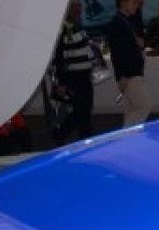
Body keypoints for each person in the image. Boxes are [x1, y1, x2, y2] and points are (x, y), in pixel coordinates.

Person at [53, 0, 95, 142]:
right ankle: (60, 134)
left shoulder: (77, 26)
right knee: (81, 110)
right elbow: (59, 57)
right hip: (75, 77)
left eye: (79, 5)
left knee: (85, 110)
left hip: (84, 75)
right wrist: (61, 82)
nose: (79, 9)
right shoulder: (65, 28)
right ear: (68, 9)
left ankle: (85, 139)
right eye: (75, 6)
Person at [106, 0, 150, 126]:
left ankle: (128, 135)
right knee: (143, 106)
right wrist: (122, 75)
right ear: (123, 3)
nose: (137, 5)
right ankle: (127, 135)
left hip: (131, 73)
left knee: (132, 109)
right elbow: (118, 53)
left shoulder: (125, 22)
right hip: (130, 74)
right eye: (134, 2)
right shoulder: (118, 23)